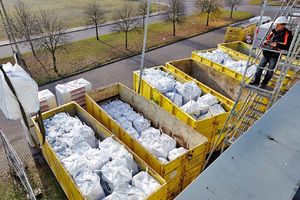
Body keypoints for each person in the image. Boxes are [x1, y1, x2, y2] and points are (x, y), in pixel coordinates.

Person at [249, 16, 293, 89]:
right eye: (275, 25)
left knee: (270, 70)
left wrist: (277, 45)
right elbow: (268, 38)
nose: (276, 27)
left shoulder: (288, 34)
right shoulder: (273, 31)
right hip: (266, 52)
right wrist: (267, 41)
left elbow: (287, 46)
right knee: (259, 67)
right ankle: (256, 81)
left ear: (283, 25)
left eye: (278, 25)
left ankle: (264, 83)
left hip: (274, 55)